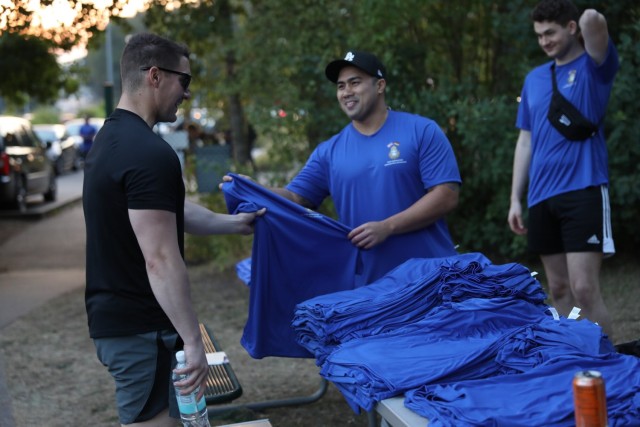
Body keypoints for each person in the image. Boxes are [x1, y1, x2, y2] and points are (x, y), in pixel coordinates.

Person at [82, 33, 264, 426]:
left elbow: (164, 211)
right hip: (142, 330)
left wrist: (233, 224)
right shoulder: (148, 154)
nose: (187, 93)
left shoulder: (112, 139)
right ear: (155, 76)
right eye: (185, 81)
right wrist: (194, 341)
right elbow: (161, 259)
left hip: (122, 322)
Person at [225, 50, 461, 285]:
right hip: (370, 288)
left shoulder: (421, 131)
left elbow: (446, 195)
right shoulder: (329, 151)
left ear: (379, 86)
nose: (346, 92)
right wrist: (254, 188)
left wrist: (388, 227)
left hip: (432, 279)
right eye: (340, 86)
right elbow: (295, 197)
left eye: (354, 83)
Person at [507, 0, 618, 338]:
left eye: (550, 32)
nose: (544, 41)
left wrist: (584, 18)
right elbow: (525, 141)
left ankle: (612, 369)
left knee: (584, 289)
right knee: (558, 291)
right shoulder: (535, 79)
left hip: (583, 189)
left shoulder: (594, 67)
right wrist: (515, 198)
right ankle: (573, 360)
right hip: (542, 197)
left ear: (571, 29)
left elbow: (595, 25)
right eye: (539, 35)